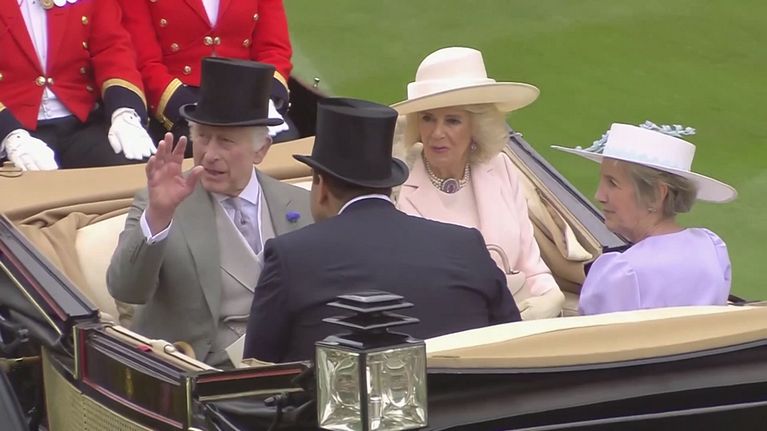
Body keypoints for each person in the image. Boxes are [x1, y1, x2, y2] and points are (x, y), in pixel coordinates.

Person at [243, 97, 521, 363]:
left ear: (321, 186)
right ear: (389, 184)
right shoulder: (467, 245)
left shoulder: (290, 256)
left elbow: (258, 368)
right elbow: (512, 342)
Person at [107, 58, 312, 367]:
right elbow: (126, 290)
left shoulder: (300, 204)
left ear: (261, 149)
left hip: (289, 373)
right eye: (203, 137)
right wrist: (159, 215)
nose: (210, 154)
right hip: (197, 376)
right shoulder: (158, 203)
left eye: (226, 141)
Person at [392, 47, 564, 320]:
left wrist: (552, 296)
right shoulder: (399, 184)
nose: (437, 133)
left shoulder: (501, 168)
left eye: (452, 121)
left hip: (514, 320)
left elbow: (531, 266)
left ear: (477, 126)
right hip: (443, 324)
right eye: (427, 118)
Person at [552, 122, 736, 315]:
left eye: (612, 183)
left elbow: (593, 333)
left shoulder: (622, 272)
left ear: (657, 194)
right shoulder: (712, 248)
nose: (599, 195)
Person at [0, 0, 155, 170]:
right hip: (16, 126)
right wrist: (9, 134)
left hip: (82, 121)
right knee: (25, 184)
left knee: (135, 169)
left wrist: (124, 112)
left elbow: (112, 49)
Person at [117, 0, 295, 146]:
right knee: (204, 149)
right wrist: (187, 109)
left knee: (283, 143)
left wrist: (263, 98)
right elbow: (146, 62)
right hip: (183, 98)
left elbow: (273, 48)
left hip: (246, 91)